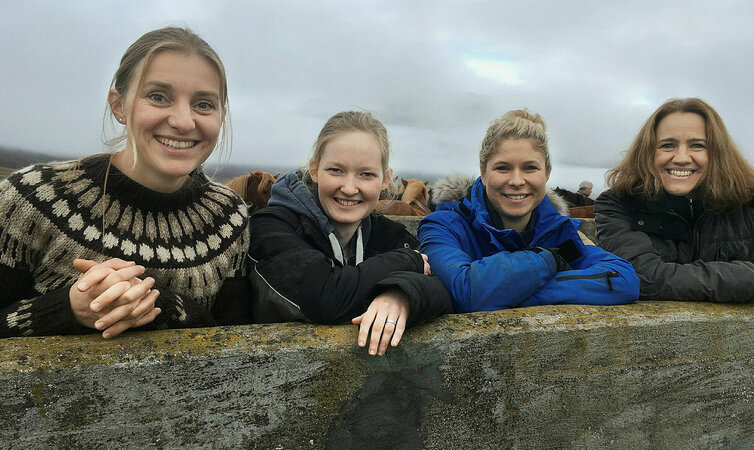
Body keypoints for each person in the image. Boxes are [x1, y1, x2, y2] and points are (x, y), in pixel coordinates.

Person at [0, 27, 250, 339]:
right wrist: (68, 308)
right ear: (119, 105)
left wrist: (159, 304)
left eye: (204, 104)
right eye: (158, 97)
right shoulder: (32, 197)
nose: (184, 121)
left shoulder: (229, 217)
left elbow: (236, 339)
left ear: (221, 114)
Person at [248, 111, 452, 356]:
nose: (349, 188)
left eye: (366, 174)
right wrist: (407, 262)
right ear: (314, 169)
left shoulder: (383, 232)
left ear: (385, 179)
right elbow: (325, 297)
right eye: (336, 170)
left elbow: (442, 285)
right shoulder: (272, 226)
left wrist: (400, 294)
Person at [416, 109, 639, 313]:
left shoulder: (558, 231)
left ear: (547, 173)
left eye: (530, 168)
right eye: (503, 168)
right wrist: (549, 260)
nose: (516, 181)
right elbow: (466, 293)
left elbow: (624, 279)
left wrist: (512, 293)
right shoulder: (442, 227)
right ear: (483, 174)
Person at [595, 97, 754, 302]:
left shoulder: (748, 206)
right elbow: (637, 276)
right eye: (667, 145)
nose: (682, 158)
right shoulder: (617, 204)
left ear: (717, 154)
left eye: (697, 146)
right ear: (647, 153)